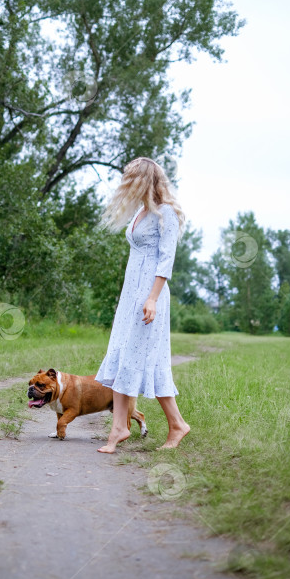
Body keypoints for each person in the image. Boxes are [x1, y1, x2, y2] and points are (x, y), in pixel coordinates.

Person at [94, 157, 190, 453]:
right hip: (131, 294)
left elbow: (166, 259)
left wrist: (152, 298)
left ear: (144, 180)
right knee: (124, 354)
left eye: (130, 178)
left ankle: (177, 425)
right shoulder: (142, 212)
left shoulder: (167, 214)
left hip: (150, 293)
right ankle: (120, 428)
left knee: (147, 357)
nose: (125, 183)